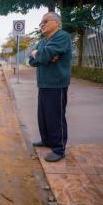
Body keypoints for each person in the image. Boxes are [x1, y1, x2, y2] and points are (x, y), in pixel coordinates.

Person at [29, 12, 72, 162]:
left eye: (45, 21)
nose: (42, 25)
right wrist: (39, 55)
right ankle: (47, 140)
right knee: (43, 116)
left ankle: (59, 149)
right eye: (40, 23)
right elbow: (33, 61)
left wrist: (42, 56)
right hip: (43, 84)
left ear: (56, 22)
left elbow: (44, 56)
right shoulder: (43, 41)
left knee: (56, 117)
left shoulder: (62, 36)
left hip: (57, 85)